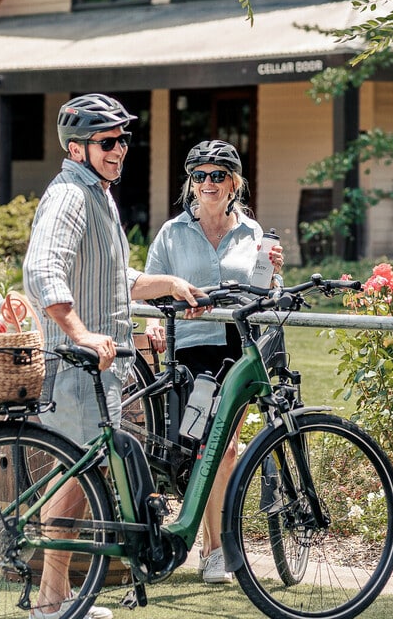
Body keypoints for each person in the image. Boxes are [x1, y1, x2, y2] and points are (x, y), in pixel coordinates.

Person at [23, 93, 206, 619]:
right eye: (108, 141)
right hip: (76, 366)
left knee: (84, 479)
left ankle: (53, 600)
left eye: (123, 139)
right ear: (77, 149)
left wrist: (166, 284)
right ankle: (49, 603)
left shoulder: (98, 195)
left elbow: (110, 279)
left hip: (103, 368)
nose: (120, 149)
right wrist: (79, 332)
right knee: (76, 479)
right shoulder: (69, 197)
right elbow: (43, 270)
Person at [142, 139, 284, 585]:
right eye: (199, 176)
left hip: (237, 348)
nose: (207, 183)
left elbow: (269, 292)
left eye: (217, 175)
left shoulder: (254, 233)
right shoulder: (171, 232)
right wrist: (152, 324)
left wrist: (277, 271)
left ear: (234, 184)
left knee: (223, 448)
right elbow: (149, 287)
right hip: (188, 347)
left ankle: (217, 549)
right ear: (191, 183)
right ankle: (202, 541)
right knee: (198, 448)